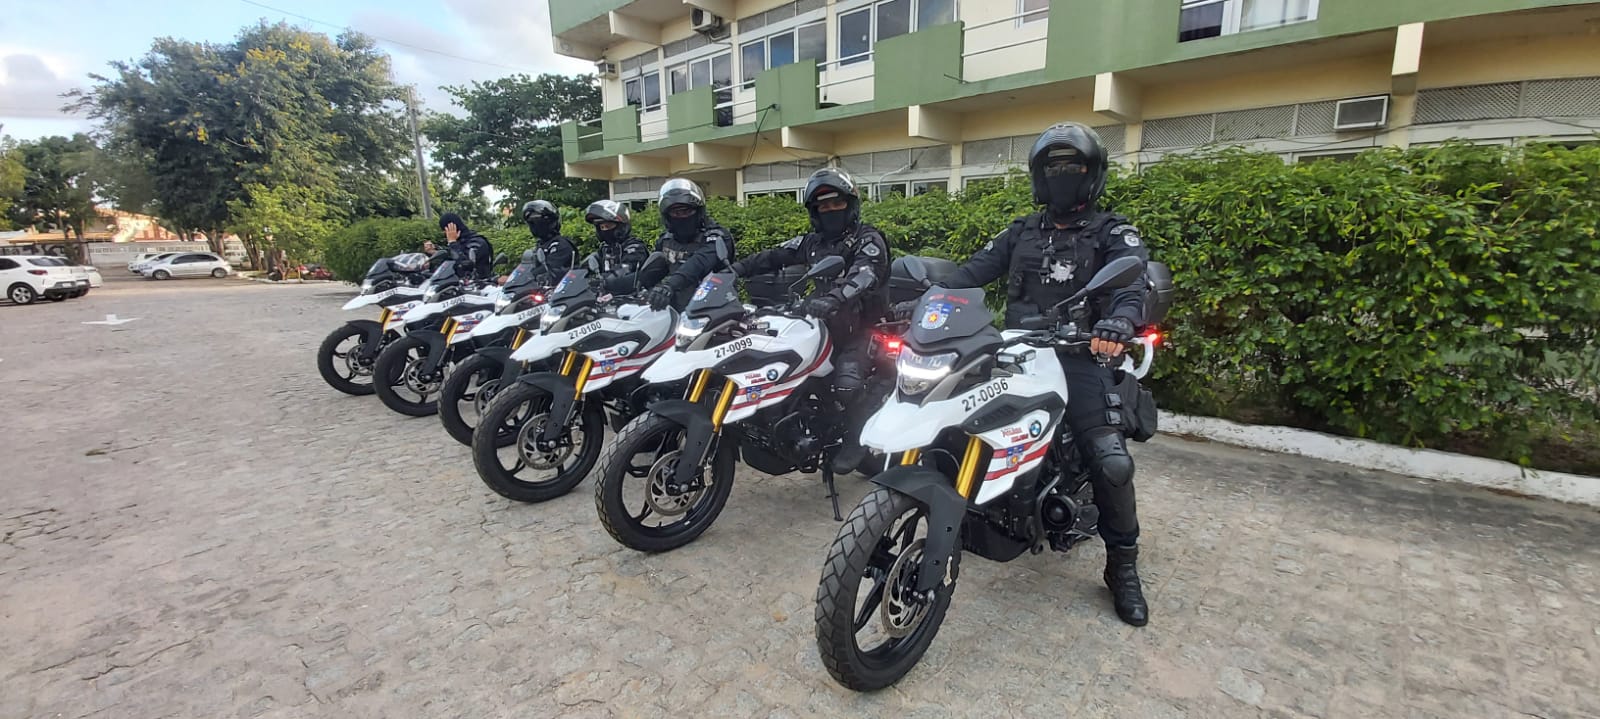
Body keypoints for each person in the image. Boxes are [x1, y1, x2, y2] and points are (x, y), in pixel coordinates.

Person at [939, 122, 1152, 627]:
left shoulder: (1112, 231)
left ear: (1092, 175)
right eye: (1052, 169)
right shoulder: (1021, 231)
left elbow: (1132, 277)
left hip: (1081, 354)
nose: (1061, 178)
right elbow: (972, 271)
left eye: (1072, 168)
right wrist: (928, 297)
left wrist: (1119, 320)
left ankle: (1122, 565)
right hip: (1016, 349)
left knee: (1110, 460)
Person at [730, 168, 888, 474]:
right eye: (822, 206)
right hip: (822, 324)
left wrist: (835, 298)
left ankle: (858, 440)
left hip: (865, 326)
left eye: (836, 203)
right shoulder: (812, 242)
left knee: (846, 384)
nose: (830, 211)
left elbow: (865, 275)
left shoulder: (868, 239)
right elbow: (774, 256)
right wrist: (734, 269)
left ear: (850, 204)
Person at [644, 179, 734, 312]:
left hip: (714, 312)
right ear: (667, 217)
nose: (681, 217)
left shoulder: (716, 237)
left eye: (686, 211)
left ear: (698, 212)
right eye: (676, 213)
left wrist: (669, 286)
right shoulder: (666, 240)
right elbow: (654, 270)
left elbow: (699, 263)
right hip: (675, 313)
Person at [582, 200, 661, 294]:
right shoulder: (604, 249)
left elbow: (624, 271)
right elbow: (586, 270)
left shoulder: (635, 247)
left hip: (634, 300)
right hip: (607, 299)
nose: (605, 230)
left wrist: (602, 281)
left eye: (608, 226)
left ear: (621, 226)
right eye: (602, 227)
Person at [521, 200, 577, 286]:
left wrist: (525, 277)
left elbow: (549, 268)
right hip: (542, 291)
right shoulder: (541, 245)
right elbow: (530, 267)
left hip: (561, 293)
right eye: (532, 222)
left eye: (538, 220)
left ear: (550, 221)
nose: (535, 225)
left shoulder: (561, 245)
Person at [439, 213, 495, 281]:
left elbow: (465, 266)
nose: (445, 234)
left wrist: (453, 243)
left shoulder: (477, 242)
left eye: (446, 230)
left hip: (480, 285)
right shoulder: (458, 242)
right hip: (459, 286)